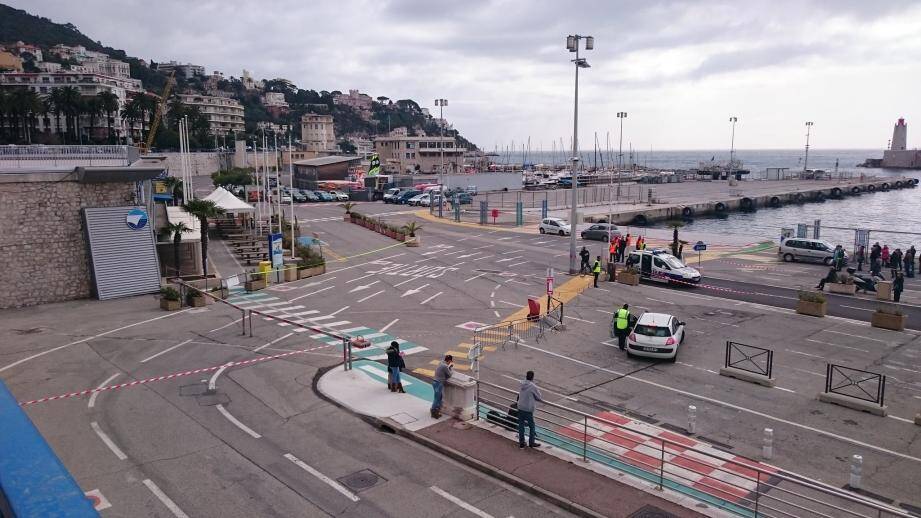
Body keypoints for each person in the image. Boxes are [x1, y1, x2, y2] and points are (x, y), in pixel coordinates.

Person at [517, 371, 543, 449]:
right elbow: (539, 397)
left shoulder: (522, 383)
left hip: (520, 406)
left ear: (526, 376)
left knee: (521, 425)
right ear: (532, 377)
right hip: (528, 409)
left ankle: (521, 442)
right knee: (532, 426)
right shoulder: (533, 386)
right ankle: (531, 442)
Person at [431, 355, 453, 419]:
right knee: (437, 398)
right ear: (448, 360)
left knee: (439, 397)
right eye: (450, 361)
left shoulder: (441, 363)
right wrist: (450, 368)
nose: (450, 363)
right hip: (439, 383)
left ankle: (436, 411)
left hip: (434, 382)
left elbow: (443, 370)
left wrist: (448, 367)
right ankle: (433, 412)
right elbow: (449, 375)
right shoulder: (445, 366)